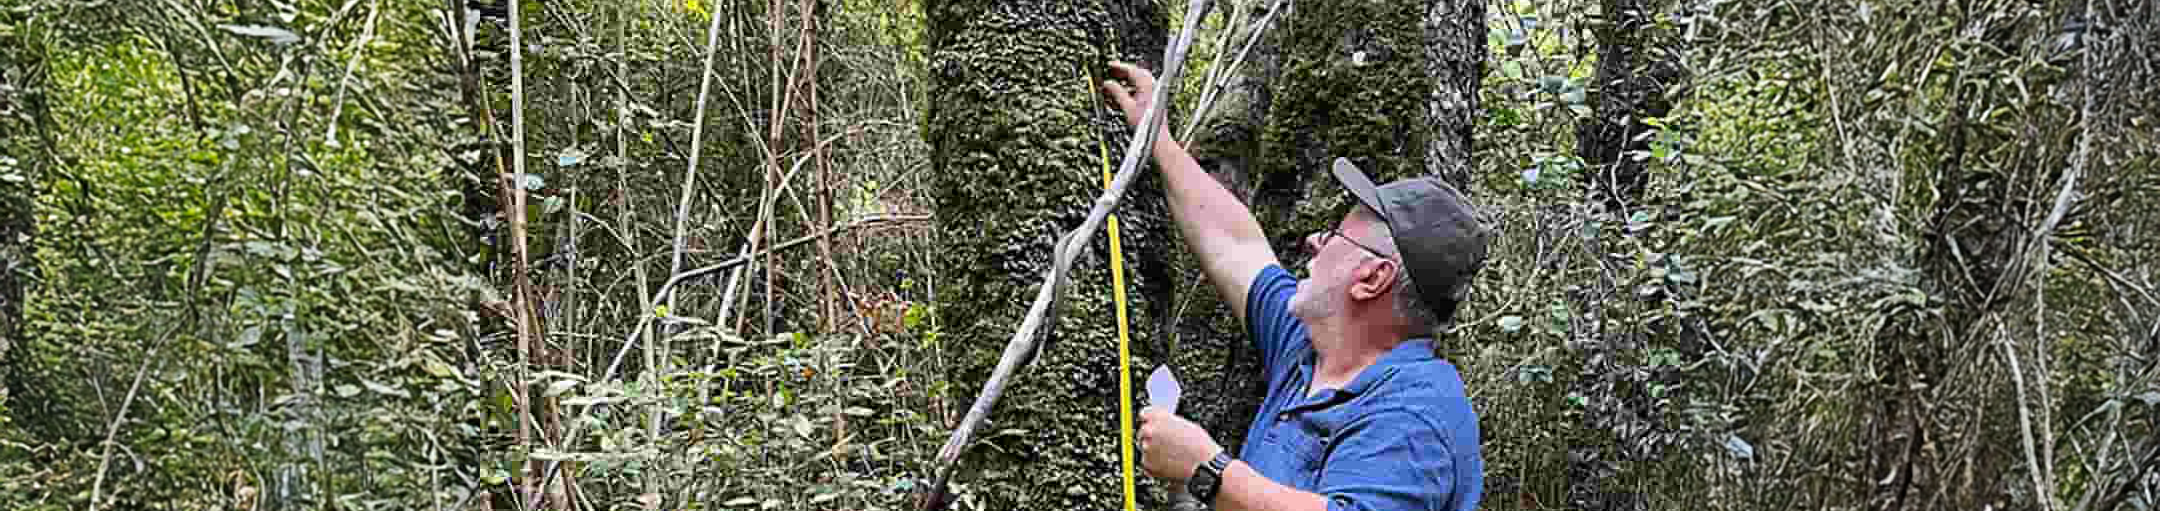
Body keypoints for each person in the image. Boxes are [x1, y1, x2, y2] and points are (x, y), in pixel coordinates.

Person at [1101, 61, 1489, 511]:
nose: (1314, 241)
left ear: (1372, 279)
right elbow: (1235, 246)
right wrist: (1158, 138)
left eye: (1336, 234)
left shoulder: (1415, 412)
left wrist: (1206, 470)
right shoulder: (1309, 346)